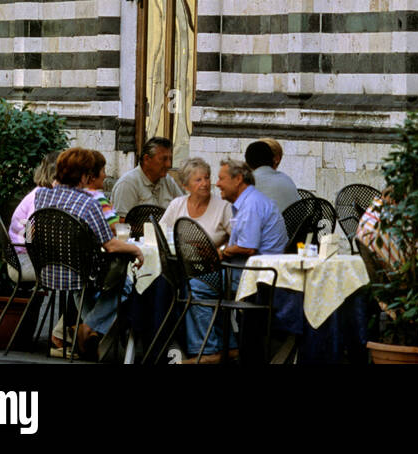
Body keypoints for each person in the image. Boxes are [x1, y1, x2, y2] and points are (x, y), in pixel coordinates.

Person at [32, 147, 144, 357]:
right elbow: (110, 244)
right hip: (79, 274)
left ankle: (89, 330)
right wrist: (135, 249)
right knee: (124, 284)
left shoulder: (41, 195)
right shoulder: (89, 202)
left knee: (81, 282)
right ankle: (89, 327)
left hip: (46, 270)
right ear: (85, 176)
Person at [160, 157, 233, 361]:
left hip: (213, 269)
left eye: (207, 178)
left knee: (193, 287)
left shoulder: (223, 207)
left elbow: (236, 241)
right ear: (185, 185)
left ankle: (206, 350)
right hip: (179, 268)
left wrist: (220, 250)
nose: (205, 183)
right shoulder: (177, 204)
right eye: (198, 180)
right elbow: (160, 232)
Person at [217, 159, 288, 259]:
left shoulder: (251, 205)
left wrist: (223, 251)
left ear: (238, 179)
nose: (217, 184)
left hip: (255, 270)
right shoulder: (251, 200)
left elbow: (247, 248)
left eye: (221, 179)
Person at [8, 150, 61, 283]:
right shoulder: (38, 198)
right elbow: (29, 233)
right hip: (24, 258)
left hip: (26, 255)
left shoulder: (42, 193)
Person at [110, 137, 182, 219]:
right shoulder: (127, 184)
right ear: (147, 159)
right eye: (163, 159)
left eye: (170, 159)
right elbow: (121, 222)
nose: (168, 164)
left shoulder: (168, 181)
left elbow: (183, 208)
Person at [244, 140, 300, 212]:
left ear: (247, 162)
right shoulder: (286, 179)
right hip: (296, 222)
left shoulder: (250, 182)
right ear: (272, 159)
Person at [85, 150, 118, 233]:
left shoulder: (77, 194)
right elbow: (114, 227)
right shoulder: (97, 197)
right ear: (93, 176)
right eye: (103, 171)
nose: (105, 175)